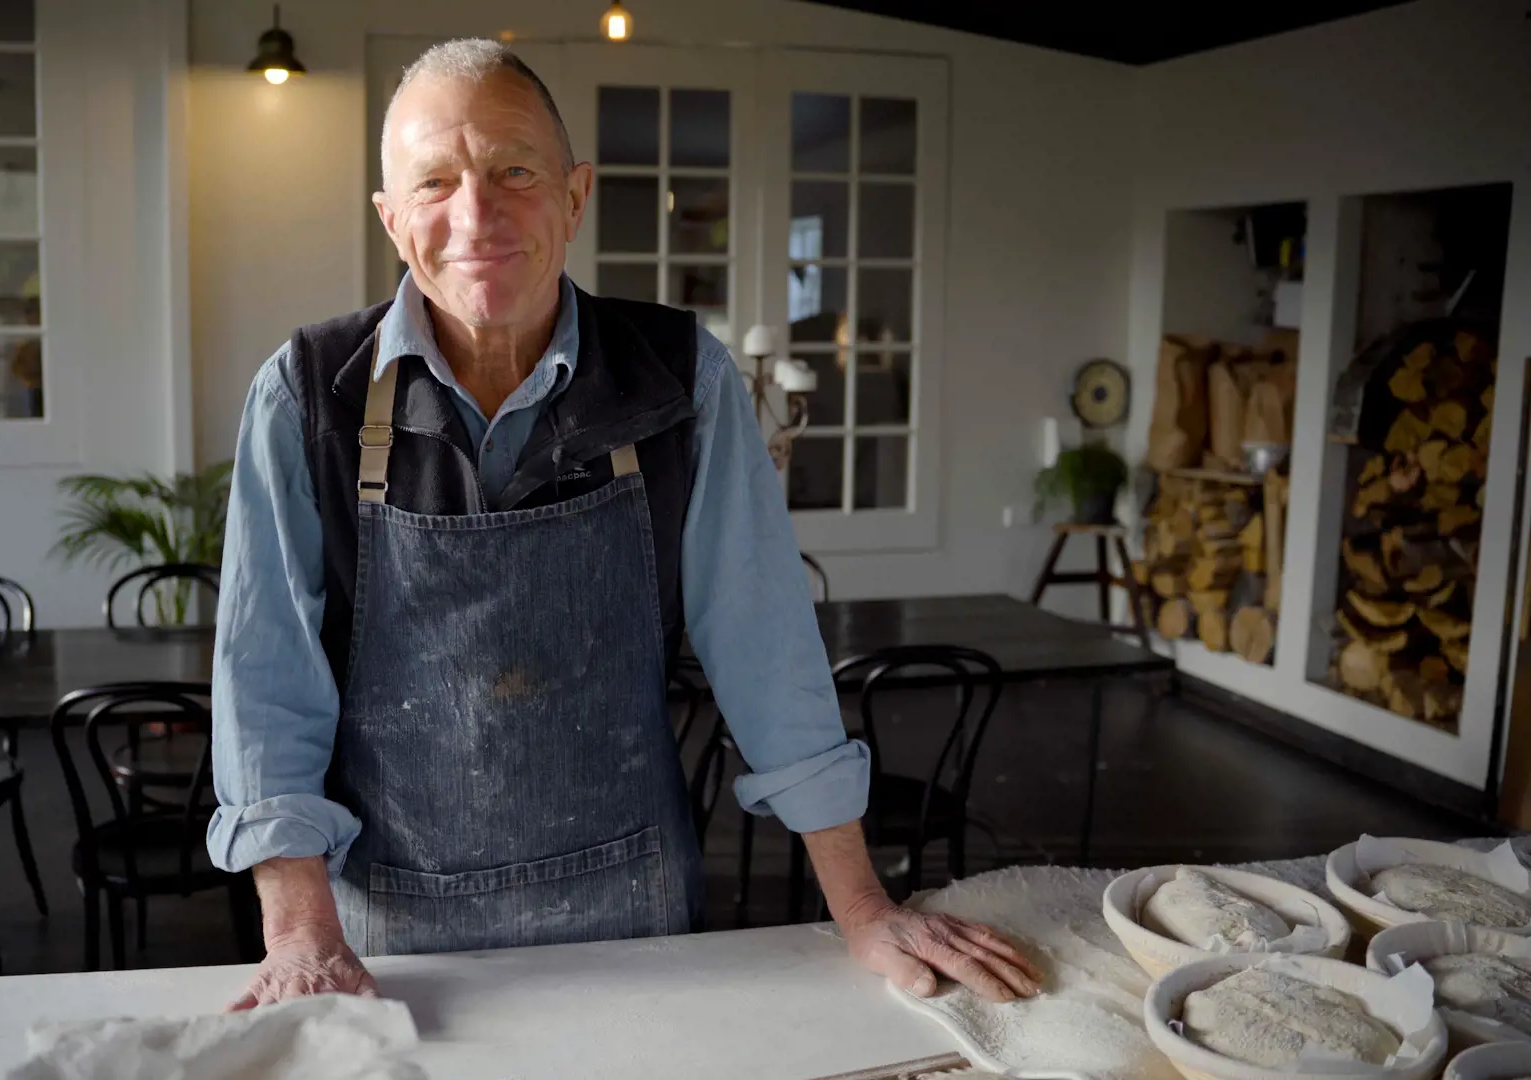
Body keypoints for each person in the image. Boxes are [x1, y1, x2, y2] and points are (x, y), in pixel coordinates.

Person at [209, 39, 1040, 1009]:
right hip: (393, 946)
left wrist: (862, 908)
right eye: (435, 182)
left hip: (636, 920)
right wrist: (302, 935)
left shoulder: (677, 375)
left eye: (514, 171)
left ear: (574, 194)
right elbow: (268, 685)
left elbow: (765, 642)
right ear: (393, 221)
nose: (476, 214)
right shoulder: (310, 395)